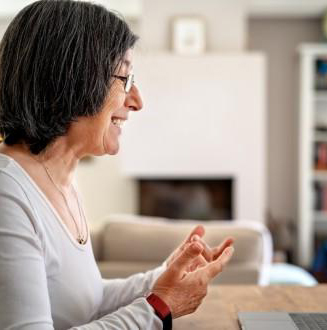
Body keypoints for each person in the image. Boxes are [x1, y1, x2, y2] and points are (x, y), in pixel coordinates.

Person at [0, 1, 234, 329]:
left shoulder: (60, 180)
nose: (137, 100)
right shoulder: (7, 192)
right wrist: (159, 308)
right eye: (124, 78)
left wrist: (165, 278)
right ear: (71, 79)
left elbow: (88, 302)